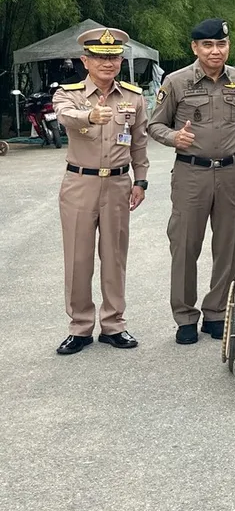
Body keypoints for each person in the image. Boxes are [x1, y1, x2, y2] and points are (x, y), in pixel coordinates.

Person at [149, 18, 235, 345]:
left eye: (221, 44)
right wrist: (174, 138)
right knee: (184, 245)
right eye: (208, 45)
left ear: (228, 46)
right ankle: (184, 316)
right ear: (195, 47)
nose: (216, 51)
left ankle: (216, 312)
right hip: (191, 173)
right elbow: (154, 125)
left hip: (230, 173)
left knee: (229, 246)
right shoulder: (177, 82)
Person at [52, 27, 150, 355]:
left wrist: (141, 181)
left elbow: (139, 143)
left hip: (119, 184)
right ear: (85, 60)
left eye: (113, 56)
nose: (107, 62)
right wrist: (90, 116)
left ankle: (113, 324)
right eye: (99, 57)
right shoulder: (71, 93)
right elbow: (65, 116)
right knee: (79, 258)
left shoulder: (133, 97)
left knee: (114, 256)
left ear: (121, 60)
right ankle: (80, 327)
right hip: (80, 183)